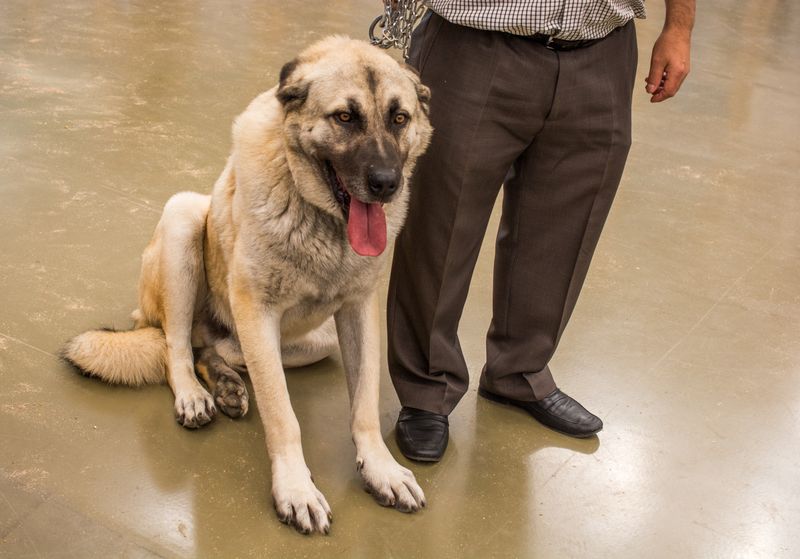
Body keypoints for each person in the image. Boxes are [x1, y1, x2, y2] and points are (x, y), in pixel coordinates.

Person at [387, 0, 695, 461]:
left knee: (566, 224)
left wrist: (679, 27)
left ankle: (520, 371)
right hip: (473, 42)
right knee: (441, 226)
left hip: (601, 48)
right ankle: (426, 389)